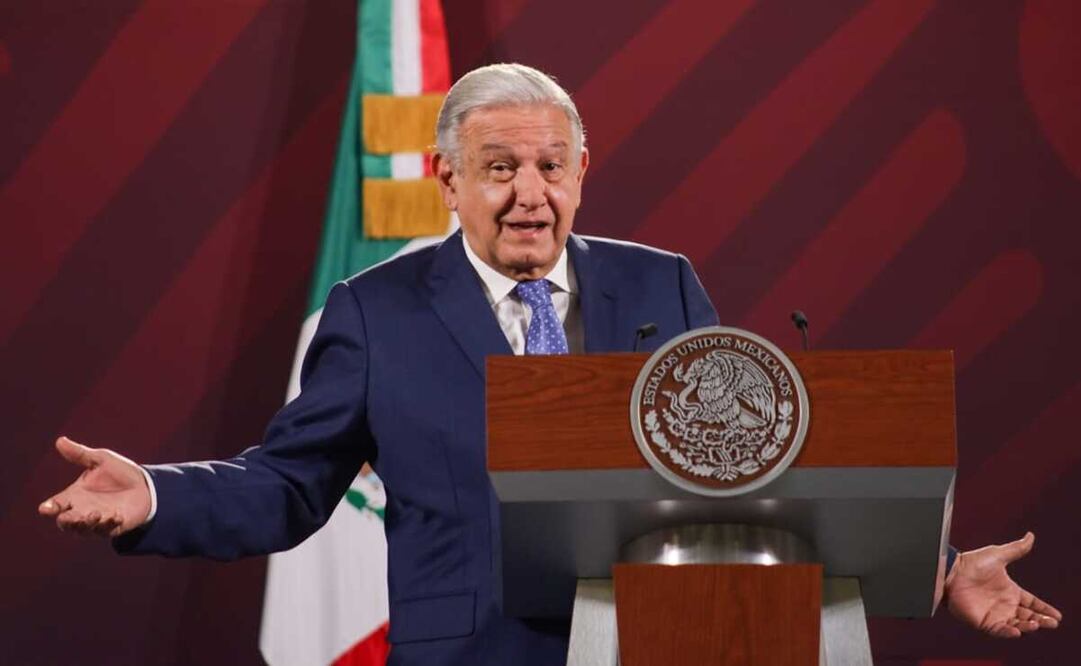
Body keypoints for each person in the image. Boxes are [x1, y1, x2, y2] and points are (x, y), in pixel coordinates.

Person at [39, 63, 1061, 663]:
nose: (528, 193)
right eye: (497, 168)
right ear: (446, 179)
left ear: (582, 170)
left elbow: (747, 474)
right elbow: (287, 487)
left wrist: (932, 568)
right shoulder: (374, 312)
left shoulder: (659, 287)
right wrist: (160, 497)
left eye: (549, 166)